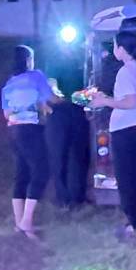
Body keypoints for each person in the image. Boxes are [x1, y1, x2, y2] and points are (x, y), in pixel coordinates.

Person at [90, 31, 136, 239]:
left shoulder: (125, 71)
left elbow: (130, 101)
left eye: (115, 46)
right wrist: (109, 98)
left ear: (122, 49)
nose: (114, 50)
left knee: (126, 177)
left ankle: (134, 223)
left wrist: (104, 101)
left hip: (125, 128)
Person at [1, 45, 54, 239]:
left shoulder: (9, 83)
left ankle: (19, 224)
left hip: (13, 131)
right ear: (28, 60)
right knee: (41, 171)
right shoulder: (36, 76)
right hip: (31, 129)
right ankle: (27, 222)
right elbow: (50, 98)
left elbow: (6, 113)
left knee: (21, 174)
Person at [45, 76, 91, 211]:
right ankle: (63, 199)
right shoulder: (52, 66)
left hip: (77, 111)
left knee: (80, 155)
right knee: (58, 156)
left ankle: (78, 197)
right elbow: (50, 93)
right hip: (59, 112)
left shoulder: (82, 67)